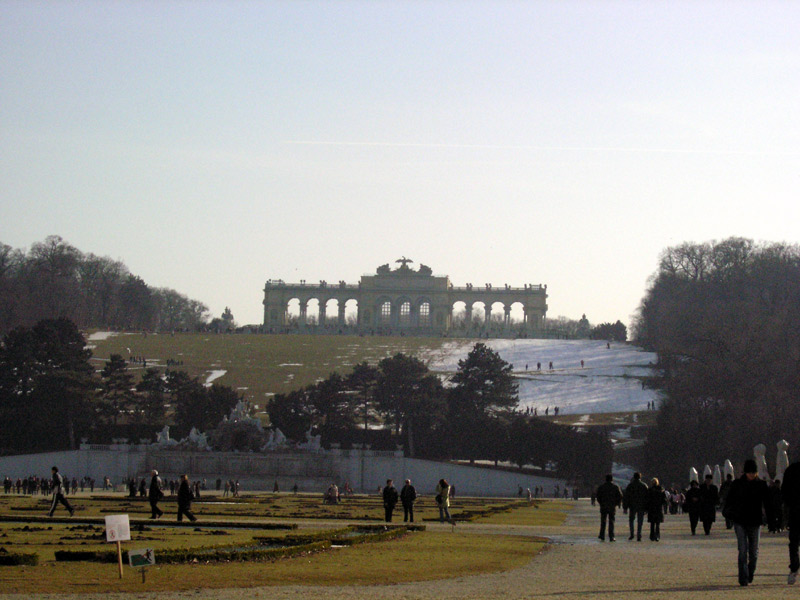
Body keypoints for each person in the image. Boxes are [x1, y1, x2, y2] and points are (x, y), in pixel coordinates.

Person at [723, 459, 772, 586]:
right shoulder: (737, 484)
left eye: (754, 472)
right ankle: (743, 577)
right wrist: (728, 513)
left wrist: (770, 517)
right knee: (743, 550)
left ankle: (750, 571)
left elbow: (768, 502)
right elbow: (729, 500)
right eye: (750, 473)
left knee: (754, 552)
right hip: (740, 520)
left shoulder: (761, 485)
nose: (752, 475)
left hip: (755, 521)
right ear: (745, 472)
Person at [782, 460, 800, 584]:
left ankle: (794, 568)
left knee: (793, 543)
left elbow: (784, 492)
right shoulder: (792, 470)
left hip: (795, 511)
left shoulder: (791, 470)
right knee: (793, 543)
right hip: (795, 511)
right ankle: (794, 567)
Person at [595, 474, 622, 541]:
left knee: (603, 521)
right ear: (612, 479)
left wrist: (601, 503)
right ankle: (611, 536)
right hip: (612, 506)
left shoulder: (601, 487)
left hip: (603, 506)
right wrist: (616, 503)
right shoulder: (615, 487)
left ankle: (602, 535)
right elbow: (620, 496)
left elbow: (598, 496)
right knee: (611, 521)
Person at [623, 472, 648, 541]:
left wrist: (625, 507)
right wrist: (647, 507)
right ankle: (639, 534)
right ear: (640, 477)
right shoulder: (644, 485)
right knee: (640, 521)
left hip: (632, 505)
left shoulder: (630, 485)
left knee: (631, 520)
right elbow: (647, 497)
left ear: (634, 477)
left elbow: (626, 497)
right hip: (641, 505)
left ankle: (632, 534)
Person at [646, 477, 664, 541]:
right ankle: (657, 535)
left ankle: (652, 536)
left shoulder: (650, 490)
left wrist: (646, 508)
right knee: (657, 523)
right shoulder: (661, 490)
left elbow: (647, 499)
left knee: (652, 523)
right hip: (658, 508)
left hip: (652, 508)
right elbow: (663, 499)